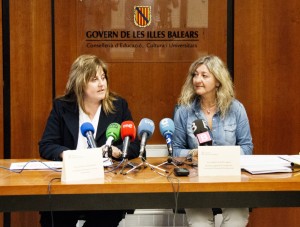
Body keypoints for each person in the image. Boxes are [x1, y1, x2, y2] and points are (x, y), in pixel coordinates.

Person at [39, 54, 140, 227]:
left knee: (109, 210)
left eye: (103, 77)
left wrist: (117, 151)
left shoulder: (118, 106)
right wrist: (71, 156)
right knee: (54, 215)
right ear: (80, 82)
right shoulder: (62, 107)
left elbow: (135, 145)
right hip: (68, 182)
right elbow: (47, 145)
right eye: (94, 79)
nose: (102, 84)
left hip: (103, 184)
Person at [172, 55, 253, 227]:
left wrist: (221, 155)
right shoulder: (183, 110)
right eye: (195, 75)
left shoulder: (236, 108)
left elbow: (247, 147)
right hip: (196, 180)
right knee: (200, 222)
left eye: (204, 75)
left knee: (237, 218)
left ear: (218, 81)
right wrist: (193, 154)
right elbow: (176, 149)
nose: (197, 80)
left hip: (230, 179)